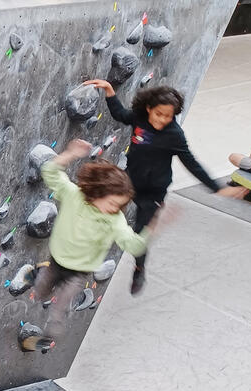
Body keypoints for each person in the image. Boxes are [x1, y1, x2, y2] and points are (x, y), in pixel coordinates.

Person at [83, 81, 240, 294]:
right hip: (129, 182)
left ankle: (139, 269)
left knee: (140, 232)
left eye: (169, 116)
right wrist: (110, 91)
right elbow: (120, 114)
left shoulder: (174, 134)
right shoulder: (139, 118)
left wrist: (217, 188)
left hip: (154, 191)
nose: (163, 120)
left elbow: (191, 163)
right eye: (159, 114)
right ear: (149, 108)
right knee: (104, 214)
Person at [27, 140, 157, 349]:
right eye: (113, 203)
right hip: (57, 259)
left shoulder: (114, 219)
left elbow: (132, 244)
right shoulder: (74, 195)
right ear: (97, 192)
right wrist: (70, 154)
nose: (116, 208)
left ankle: (53, 329)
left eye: (120, 206)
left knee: (61, 306)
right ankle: (38, 276)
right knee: (40, 292)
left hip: (80, 271)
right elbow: (50, 172)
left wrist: (151, 228)